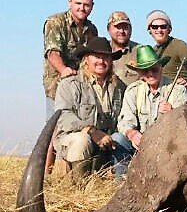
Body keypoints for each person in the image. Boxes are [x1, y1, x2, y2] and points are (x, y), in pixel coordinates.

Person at [54, 37, 130, 179]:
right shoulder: (69, 84)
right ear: (86, 59)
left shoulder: (119, 87)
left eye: (106, 57)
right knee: (81, 140)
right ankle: (80, 187)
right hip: (75, 140)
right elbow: (64, 116)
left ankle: (120, 182)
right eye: (96, 56)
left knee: (120, 138)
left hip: (107, 144)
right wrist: (91, 131)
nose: (101, 61)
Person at [113, 45, 187, 177]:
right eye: (145, 70)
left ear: (161, 68)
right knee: (117, 139)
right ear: (140, 72)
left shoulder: (177, 90)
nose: (150, 74)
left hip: (166, 146)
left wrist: (172, 113)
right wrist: (132, 134)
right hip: (139, 146)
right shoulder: (133, 90)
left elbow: (184, 125)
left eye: (154, 69)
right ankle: (122, 179)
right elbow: (124, 122)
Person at [43, 0, 98, 116]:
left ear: (92, 6)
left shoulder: (92, 29)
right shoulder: (55, 22)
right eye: (78, 3)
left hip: (83, 88)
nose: (82, 8)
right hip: (58, 86)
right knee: (56, 127)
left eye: (86, 5)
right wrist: (63, 70)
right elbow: (52, 52)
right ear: (69, 2)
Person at [146, 9, 187, 98]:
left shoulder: (179, 46)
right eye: (155, 27)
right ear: (149, 30)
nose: (159, 30)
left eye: (163, 27)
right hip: (166, 97)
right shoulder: (152, 52)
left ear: (169, 29)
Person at [107, 11, 140, 85]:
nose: (122, 31)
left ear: (131, 30)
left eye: (125, 28)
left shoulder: (140, 51)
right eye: (117, 27)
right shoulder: (101, 51)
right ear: (108, 29)